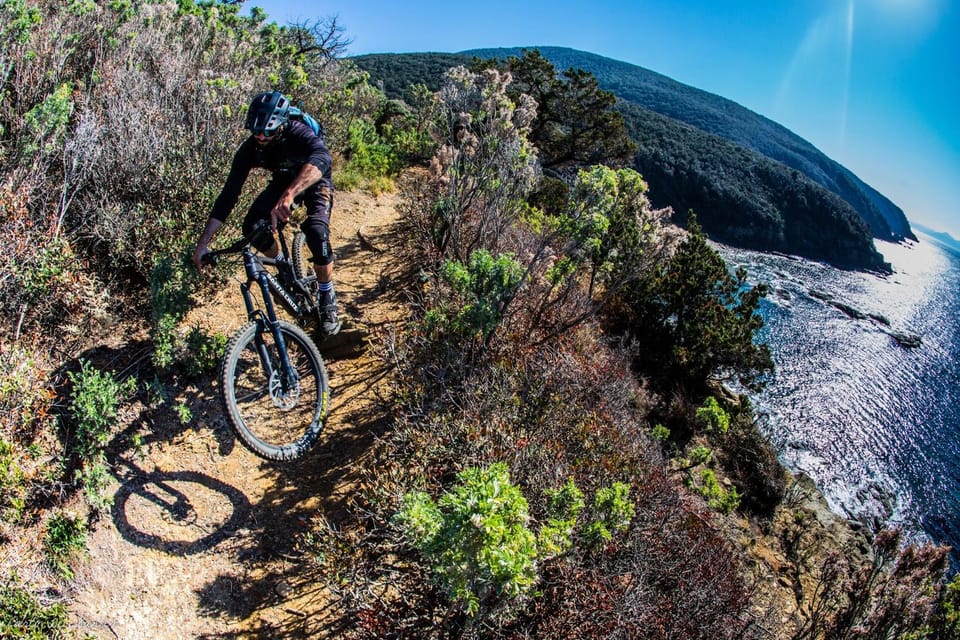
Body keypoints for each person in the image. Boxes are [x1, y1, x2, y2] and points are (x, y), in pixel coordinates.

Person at [193, 90, 340, 335]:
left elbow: (323, 157)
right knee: (253, 227)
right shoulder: (250, 149)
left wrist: (291, 193)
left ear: (281, 125)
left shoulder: (297, 131)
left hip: (315, 177)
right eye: (256, 131)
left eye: (268, 132)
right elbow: (228, 196)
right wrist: (203, 243)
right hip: (284, 179)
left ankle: (327, 295)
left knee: (316, 231)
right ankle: (283, 266)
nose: (261, 136)